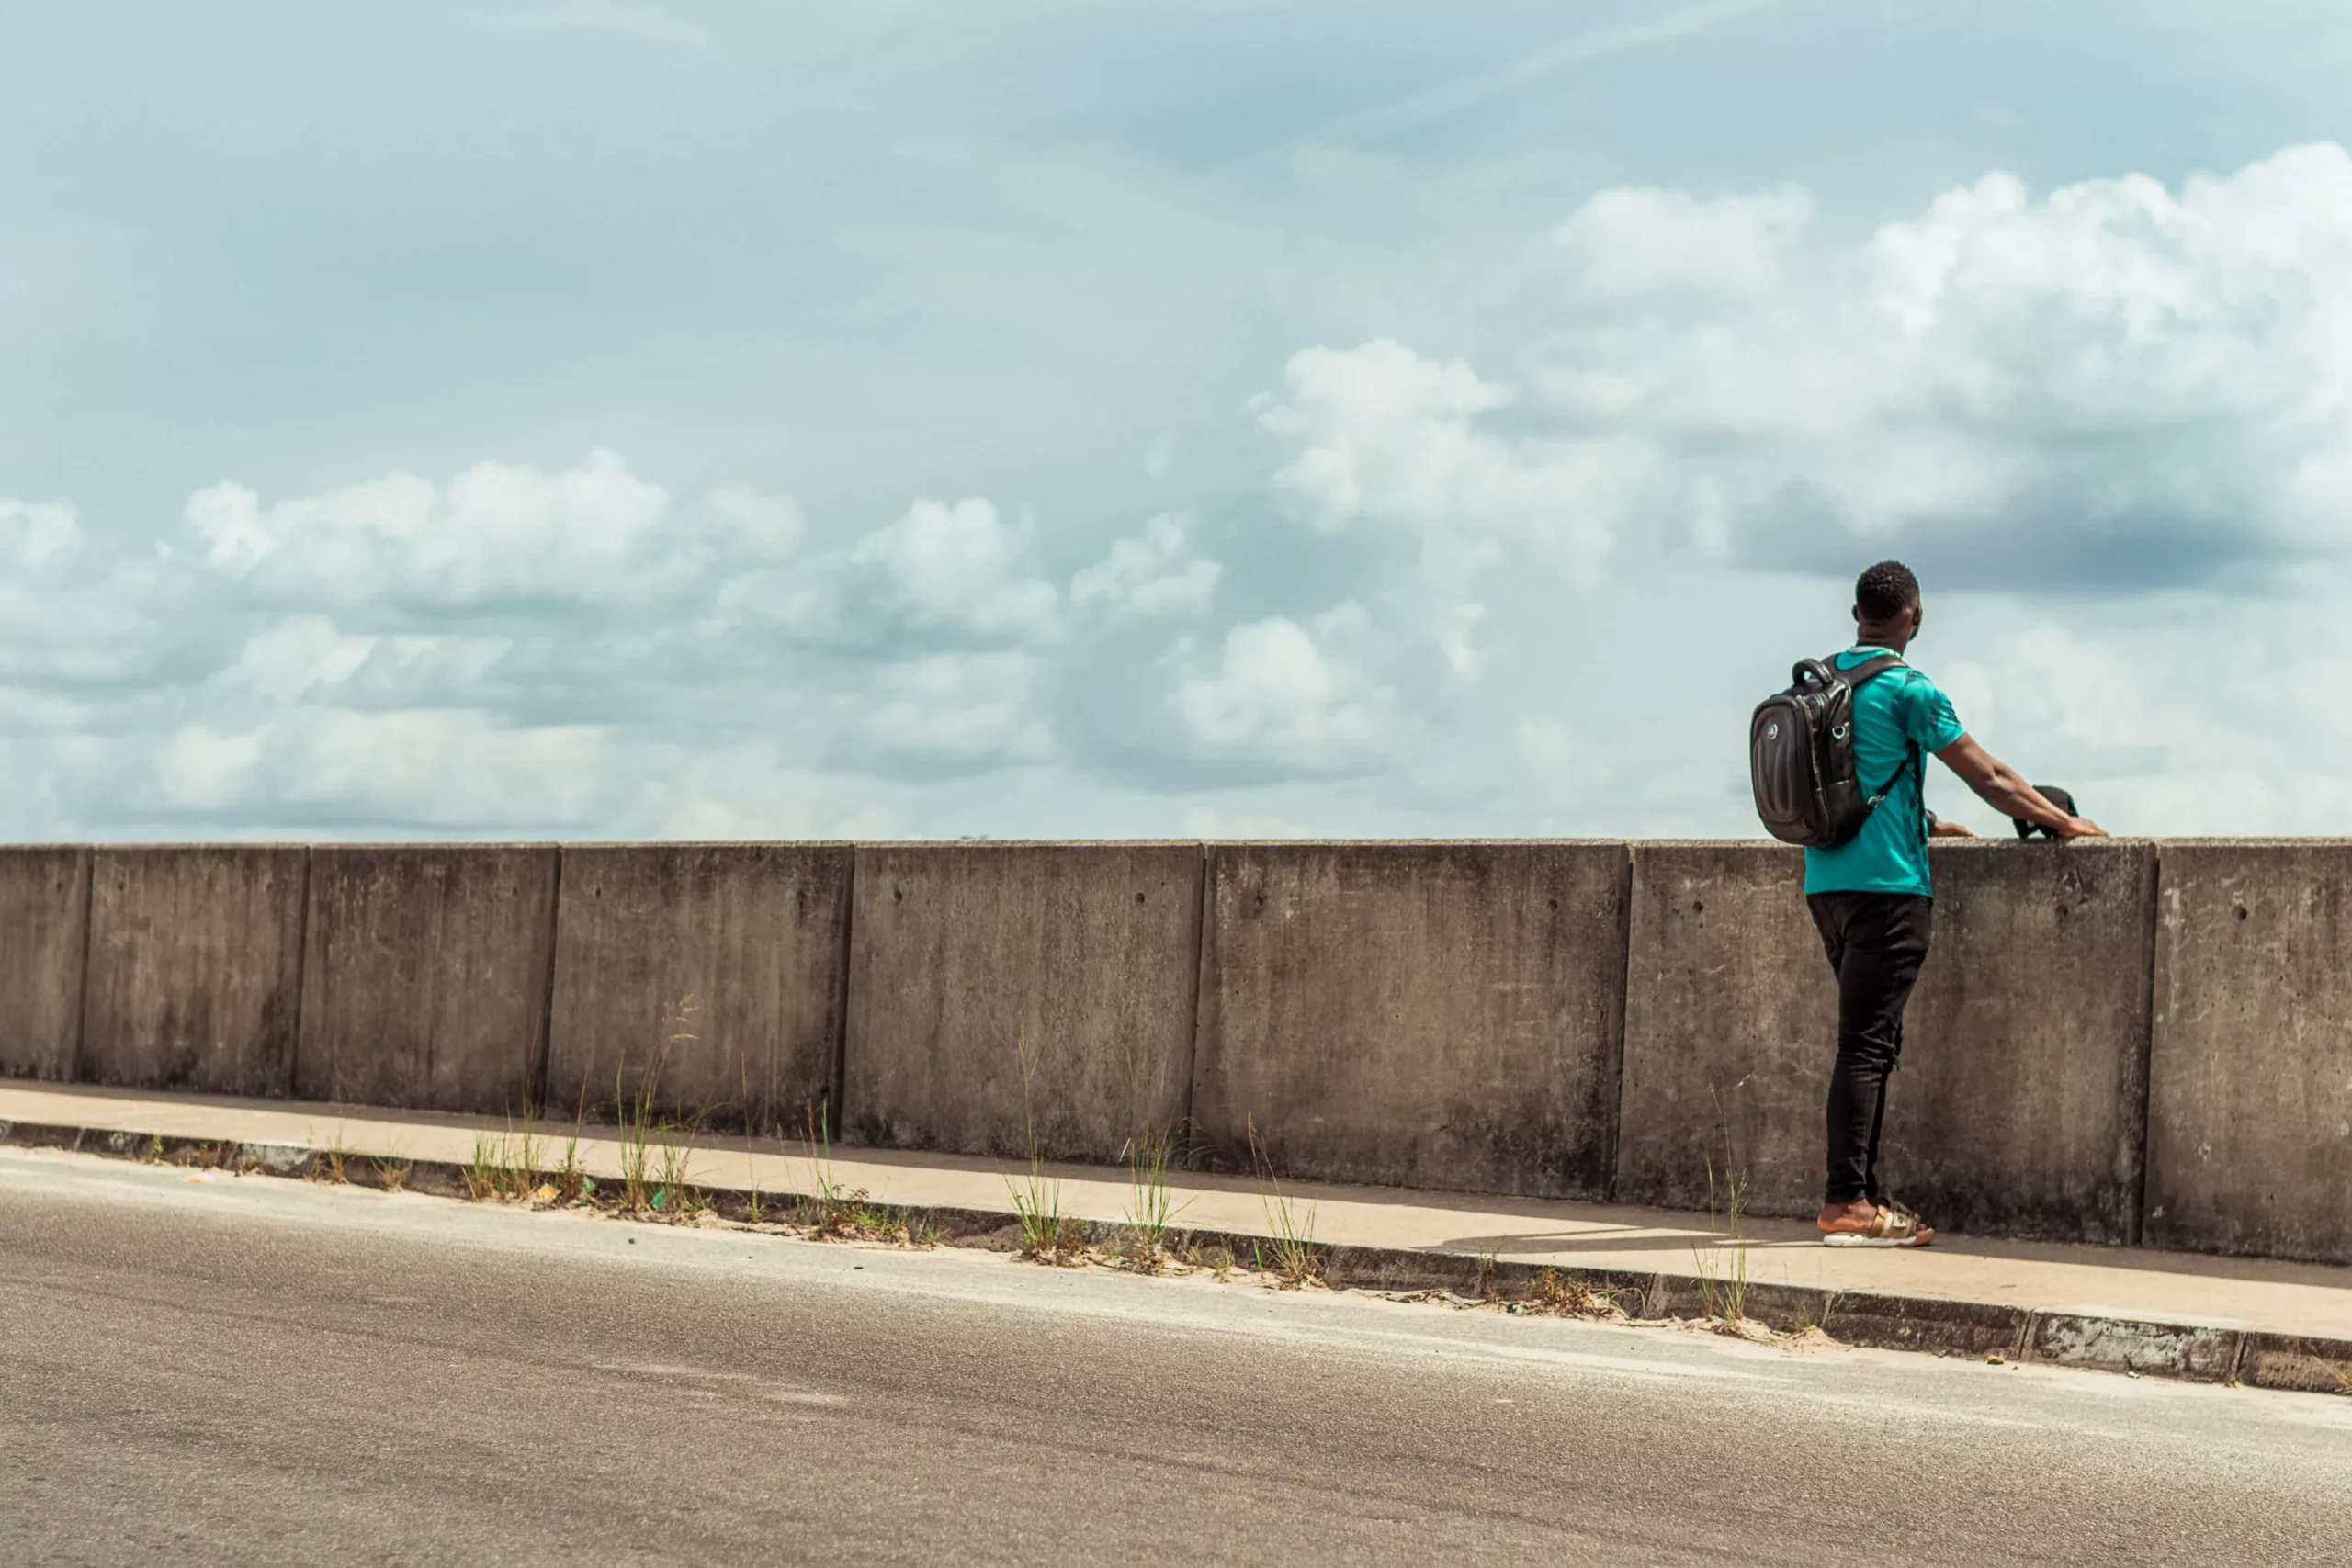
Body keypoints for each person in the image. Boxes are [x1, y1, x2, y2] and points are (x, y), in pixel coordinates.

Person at [1804, 560, 2107, 1247]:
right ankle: (1847, 1200)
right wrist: (2062, 822)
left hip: (1827, 883)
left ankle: (1866, 1196)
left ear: (1857, 613)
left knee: (1871, 1044)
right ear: (1914, 616)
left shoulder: (1825, 686)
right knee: (1864, 1046)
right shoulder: (1910, 689)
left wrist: (1925, 819)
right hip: (1888, 889)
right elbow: (1992, 776)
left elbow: (1861, 777)